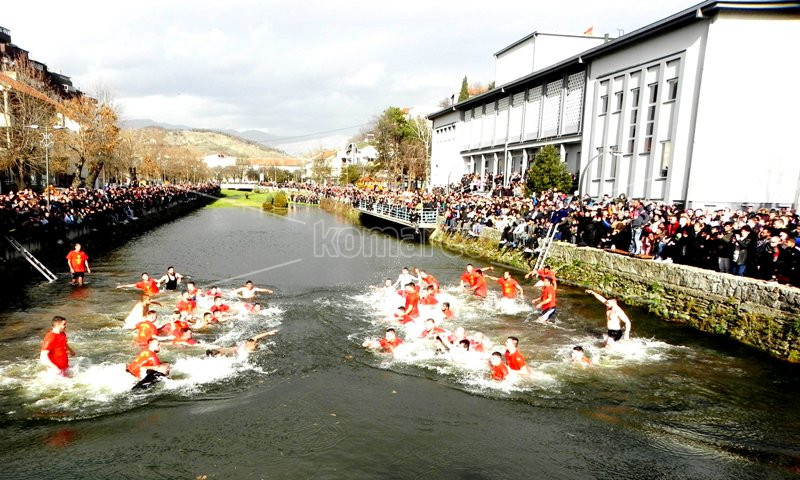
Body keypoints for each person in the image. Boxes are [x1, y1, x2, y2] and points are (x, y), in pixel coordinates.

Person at [205, 330, 280, 357]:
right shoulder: (250, 347)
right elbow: (256, 338)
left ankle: (212, 354)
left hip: (231, 349)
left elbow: (256, 337)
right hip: (233, 350)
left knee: (220, 351)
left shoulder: (248, 344)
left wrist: (268, 333)